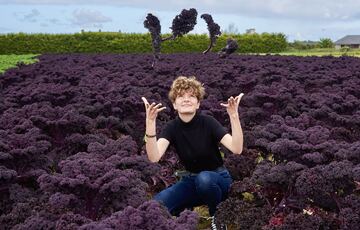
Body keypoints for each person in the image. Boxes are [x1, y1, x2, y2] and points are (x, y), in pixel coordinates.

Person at [141, 76, 244, 230]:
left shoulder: (208, 122)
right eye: (181, 96)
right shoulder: (172, 127)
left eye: (191, 96)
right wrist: (150, 123)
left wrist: (234, 116)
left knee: (205, 180)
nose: (186, 99)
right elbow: (154, 157)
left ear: (198, 104)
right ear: (174, 105)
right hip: (191, 180)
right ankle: (182, 211)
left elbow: (237, 148)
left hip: (218, 179)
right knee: (156, 204)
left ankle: (217, 216)